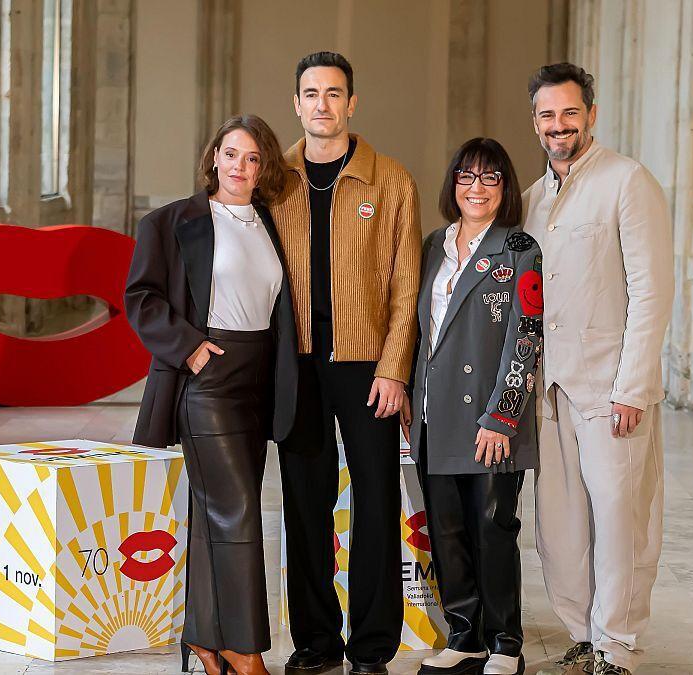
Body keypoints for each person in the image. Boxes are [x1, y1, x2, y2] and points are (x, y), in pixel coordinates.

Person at [124, 115, 299, 675]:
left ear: (265, 166)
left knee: (214, 512)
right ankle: (244, 651)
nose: (240, 168)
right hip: (208, 377)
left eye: (252, 158)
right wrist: (191, 349)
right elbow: (142, 298)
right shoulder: (172, 222)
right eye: (231, 154)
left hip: (257, 380)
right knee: (241, 511)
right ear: (213, 157)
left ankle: (203, 639)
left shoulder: (271, 223)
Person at [270, 51, 422, 675]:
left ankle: (372, 647)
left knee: (377, 502)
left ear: (352, 103)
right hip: (297, 364)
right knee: (304, 502)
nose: (323, 104)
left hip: (367, 365)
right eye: (311, 93)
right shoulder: (274, 180)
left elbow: (407, 285)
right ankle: (314, 642)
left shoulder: (391, 181)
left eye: (334, 93)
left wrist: (394, 369)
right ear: (297, 103)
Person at [521, 63, 674, 675]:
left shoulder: (627, 182)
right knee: (560, 526)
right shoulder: (532, 199)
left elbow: (652, 292)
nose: (559, 126)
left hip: (611, 389)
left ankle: (618, 645)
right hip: (549, 389)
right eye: (547, 115)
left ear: (590, 114)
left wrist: (633, 385)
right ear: (535, 122)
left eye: (569, 113)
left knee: (619, 522)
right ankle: (583, 631)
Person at [405, 138, 542, 675]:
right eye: (466, 177)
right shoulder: (434, 244)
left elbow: (525, 338)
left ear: (505, 187)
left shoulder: (519, 247)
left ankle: (506, 642)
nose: (477, 188)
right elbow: (423, 330)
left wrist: (503, 416)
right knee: (448, 531)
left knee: (492, 529)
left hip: (490, 418)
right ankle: (465, 635)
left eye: (490, 178)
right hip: (435, 414)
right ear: (453, 185)